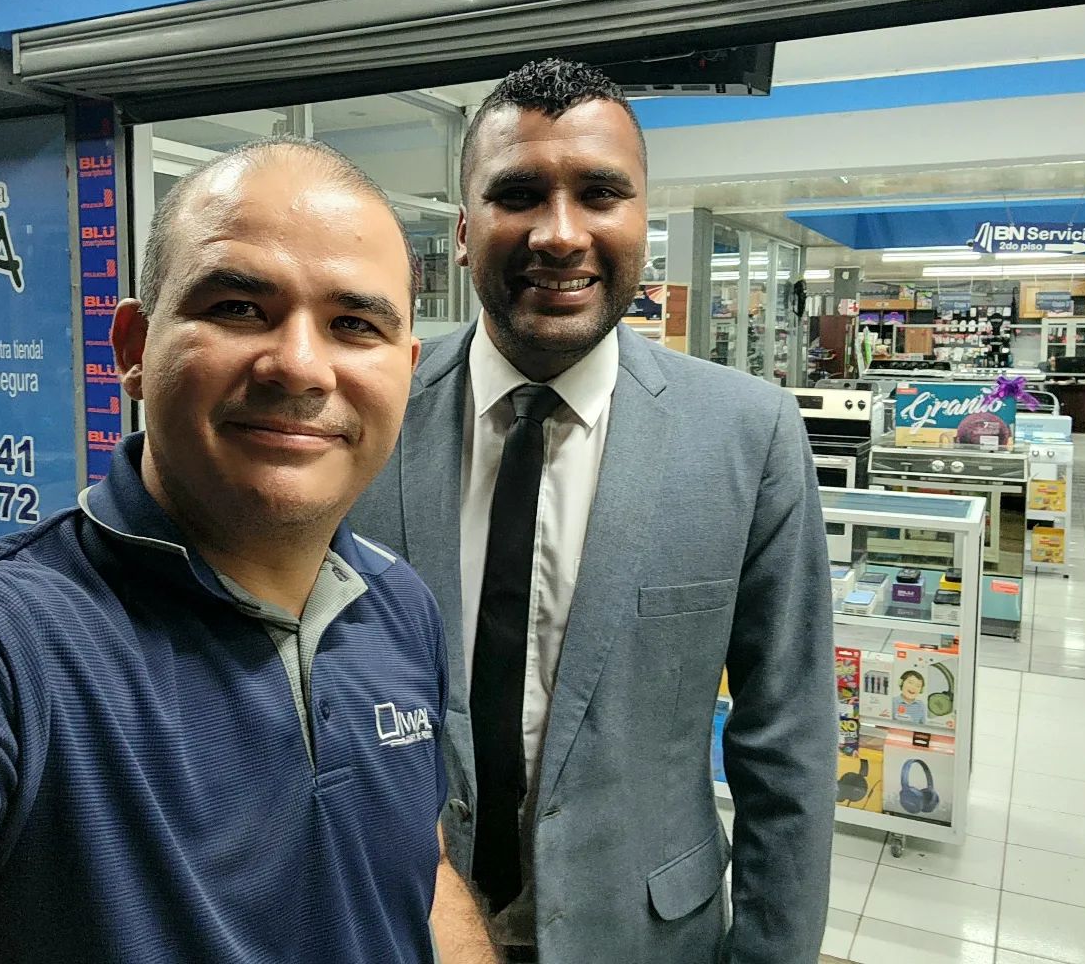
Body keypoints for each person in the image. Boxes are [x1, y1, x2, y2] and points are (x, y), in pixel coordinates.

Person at [0, 137, 494, 963]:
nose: (299, 366)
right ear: (133, 349)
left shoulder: (398, 606)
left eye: (354, 325)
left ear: (406, 370)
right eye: (237, 308)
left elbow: (418, 867)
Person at [351, 59, 837, 963]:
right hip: (396, 922)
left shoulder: (748, 436)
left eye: (601, 194)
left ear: (643, 220)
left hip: (646, 935)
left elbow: (789, 746)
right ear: (464, 230)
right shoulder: (366, 417)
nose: (561, 234)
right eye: (518, 194)